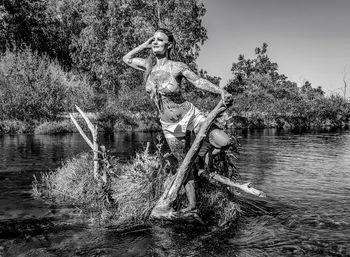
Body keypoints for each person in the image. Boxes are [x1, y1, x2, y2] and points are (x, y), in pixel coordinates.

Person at [122, 28, 232, 214]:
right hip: (169, 126)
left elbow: (198, 82)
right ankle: (192, 205)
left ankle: (203, 158)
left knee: (224, 142)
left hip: (190, 115)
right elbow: (126, 58)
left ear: (169, 45)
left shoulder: (177, 66)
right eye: (153, 40)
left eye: (159, 40)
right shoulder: (147, 66)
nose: (155, 42)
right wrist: (145, 44)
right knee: (184, 165)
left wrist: (220, 91)